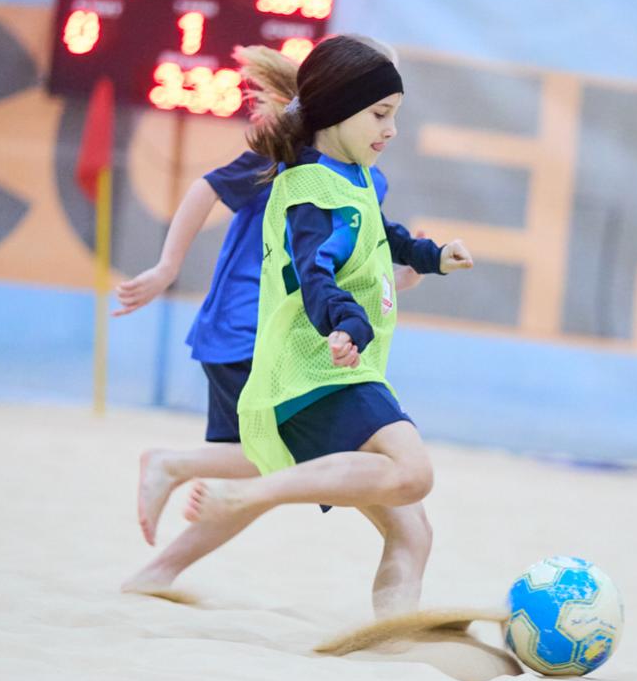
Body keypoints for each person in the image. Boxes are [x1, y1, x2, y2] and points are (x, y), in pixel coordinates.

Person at [168, 34, 473, 618]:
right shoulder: (310, 189)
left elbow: (382, 233)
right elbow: (316, 275)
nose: (392, 130)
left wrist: (432, 256)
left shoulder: (352, 175)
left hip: (334, 366)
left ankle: (391, 635)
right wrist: (349, 322)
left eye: (396, 115)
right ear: (338, 111)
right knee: (412, 473)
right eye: (381, 114)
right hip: (319, 369)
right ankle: (248, 493)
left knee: (414, 531)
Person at [114, 43, 423, 549]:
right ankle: (173, 464)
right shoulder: (289, 153)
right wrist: (167, 266)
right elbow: (207, 188)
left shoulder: (366, 177)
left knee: (267, 462)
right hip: (252, 329)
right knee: (286, 458)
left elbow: (348, 258)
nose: (386, 119)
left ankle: (160, 564)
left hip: (293, 333)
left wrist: (396, 277)